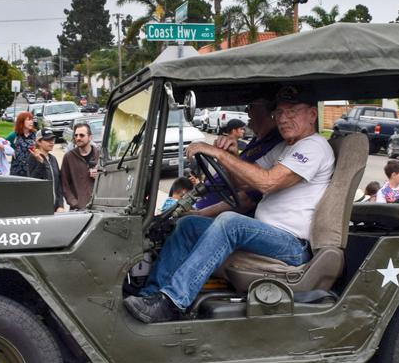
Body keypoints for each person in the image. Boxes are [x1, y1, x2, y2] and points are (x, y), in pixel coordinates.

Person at [124, 84, 335, 323]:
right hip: (268, 235)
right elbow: (244, 184)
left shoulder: (314, 146)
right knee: (189, 225)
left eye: (292, 112)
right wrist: (233, 156)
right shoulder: (285, 148)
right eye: (280, 113)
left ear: (312, 115)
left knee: (230, 222)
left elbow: (267, 183)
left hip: (292, 245)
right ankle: (151, 296)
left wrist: (219, 155)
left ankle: (172, 301)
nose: (284, 119)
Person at [194, 97, 284, 215]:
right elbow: (240, 182)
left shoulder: (277, 144)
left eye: (251, 106)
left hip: (216, 216)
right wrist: (229, 156)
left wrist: (199, 214)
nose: (246, 110)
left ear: (270, 111)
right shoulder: (256, 141)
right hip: (201, 201)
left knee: (185, 224)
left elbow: (246, 198)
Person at [61, 122, 100, 210]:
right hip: (78, 210)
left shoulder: (100, 155)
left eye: (82, 135)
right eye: (76, 135)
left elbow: (110, 179)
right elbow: (64, 184)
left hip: (99, 207)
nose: (78, 138)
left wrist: (99, 176)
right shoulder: (69, 157)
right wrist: (74, 203)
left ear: (90, 137)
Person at [26, 129, 64, 212]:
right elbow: (32, 182)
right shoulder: (33, 158)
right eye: (48, 140)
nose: (52, 142)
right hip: (40, 207)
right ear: (39, 142)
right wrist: (41, 163)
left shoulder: (53, 159)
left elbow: (58, 184)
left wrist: (60, 205)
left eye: (53, 139)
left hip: (55, 207)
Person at [10, 111, 37, 177]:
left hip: (32, 170)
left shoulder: (35, 135)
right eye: (28, 120)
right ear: (21, 121)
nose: (31, 122)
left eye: (32, 120)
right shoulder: (14, 135)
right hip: (16, 171)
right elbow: (4, 145)